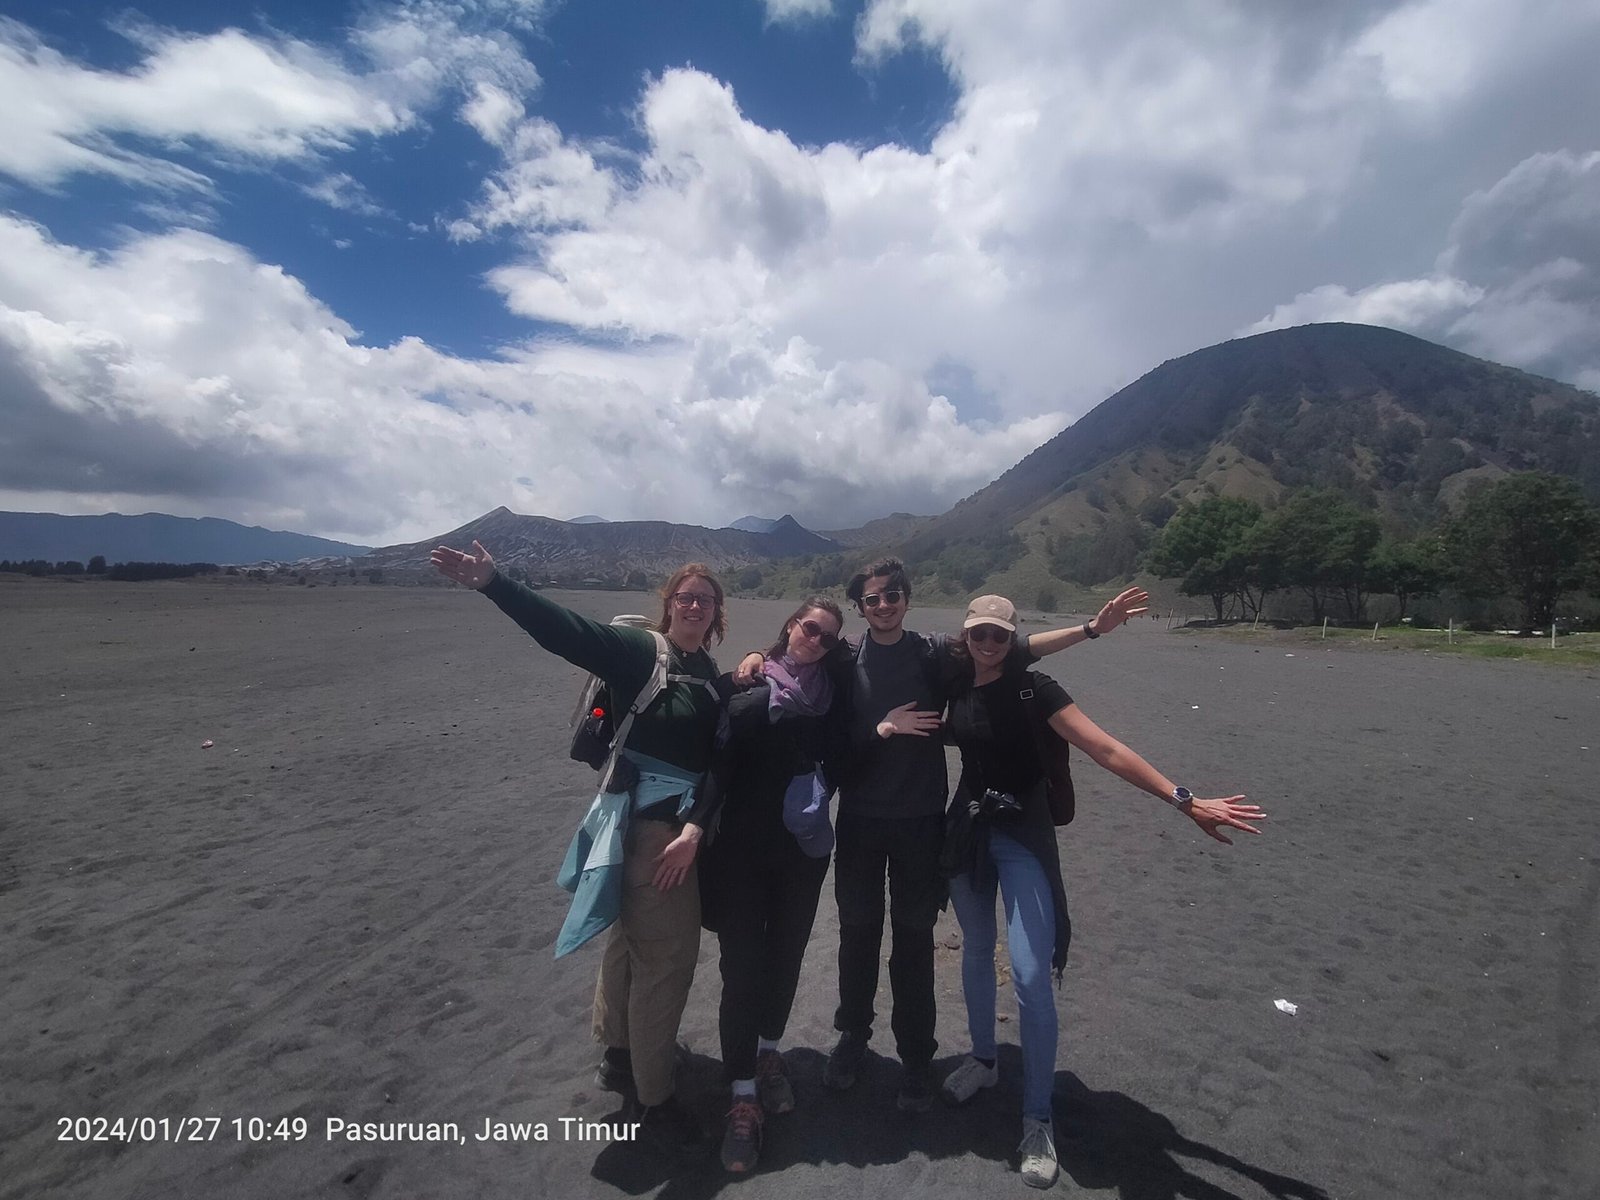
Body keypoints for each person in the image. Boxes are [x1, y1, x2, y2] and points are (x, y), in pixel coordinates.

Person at [736, 560, 1149, 1112]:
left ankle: (914, 1058)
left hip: (921, 822)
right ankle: (853, 1037)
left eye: (893, 596)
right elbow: (798, 650)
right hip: (860, 820)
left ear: (907, 599)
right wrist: (757, 656)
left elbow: (1012, 648)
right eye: (873, 599)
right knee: (858, 935)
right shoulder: (846, 655)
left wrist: (1091, 629)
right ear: (860, 605)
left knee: (912, 940)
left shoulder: (933, 653)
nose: (884, 605)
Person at [935, 594, 1264, 1188]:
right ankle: (983, 1060)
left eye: (999, 637)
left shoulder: (1038, 691)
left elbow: (1106, 748)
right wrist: (759, 657)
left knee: (1033, 975)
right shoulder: (953, 674)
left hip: (1022, 836)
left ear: (1011, 640)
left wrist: (1185, 801)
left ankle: (1037, 1117)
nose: (988, 645)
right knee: (976, 948)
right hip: (966, 832)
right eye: (979, 635)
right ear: (966, 636)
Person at [430, 541, 727, 1159]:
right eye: (685, 596)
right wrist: (495, 583)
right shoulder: (642, 651)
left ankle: (618, 1056)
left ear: (716, 612)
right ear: (668, 604)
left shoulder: (704, 672)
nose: (695, 605)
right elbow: (567, 632)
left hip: (631, 823)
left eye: (706, 599)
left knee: (626, 945)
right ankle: (656, 1099)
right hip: (654, 835)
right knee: (667, 961)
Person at [697, 597, 852, 1173]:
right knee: (742, 967)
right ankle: (741, 1096)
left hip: (801, 857)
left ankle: (767, 1056)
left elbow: (848, 750)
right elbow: (716, 749)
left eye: (828, 637)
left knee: (785, 957)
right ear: (791, 626)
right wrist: (693, 828)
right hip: (739, 853)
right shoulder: (749, 682)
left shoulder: (833, 697)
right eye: (809, 628)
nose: (816, 639)